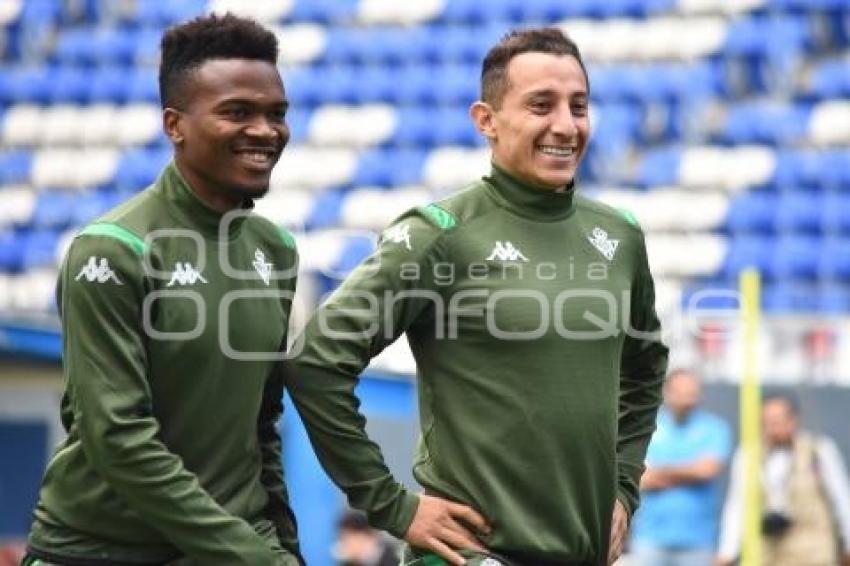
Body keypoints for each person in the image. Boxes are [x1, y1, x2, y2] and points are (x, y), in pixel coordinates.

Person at [22, 13, 476, 566]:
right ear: (174, 124)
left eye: (276, 113)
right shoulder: (114, 250)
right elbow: (119, 440)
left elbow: (261, 428)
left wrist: (284, 547)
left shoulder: (275, 249)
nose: (265, 130)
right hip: (101, 552)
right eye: (237, 112)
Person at [285, 27, 669, 566]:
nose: (565, 124)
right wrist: (392, 506)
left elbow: (647, 366)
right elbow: (316, 361)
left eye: (578, 105)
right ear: (485, 120)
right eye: (541, 105)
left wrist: (625, 484)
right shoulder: (439, 233)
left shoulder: (620, 235)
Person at [716, 394, 850, 566]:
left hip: (812, 550)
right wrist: (727, 551)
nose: (773, 428)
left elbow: (841, 500)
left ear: (794, 420)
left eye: (778, 421)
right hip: (767, 551)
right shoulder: (748, 455)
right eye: (767, 422)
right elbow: (737, 504)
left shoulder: (819, 450)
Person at [628, 369, 732, 566]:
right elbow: (640, 479)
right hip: (649, 538)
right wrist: (688, 472)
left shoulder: (715, 428)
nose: (687, 399)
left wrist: (661, 471)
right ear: (666, 391)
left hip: (698, 541)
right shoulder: (647, 427)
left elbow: (706, 470)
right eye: (681, 392)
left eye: (692, 393)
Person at [334, 510, 400, 566]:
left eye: (346, 539)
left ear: (362, 535)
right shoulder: (354, 562)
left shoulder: (394, 559)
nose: (344, 544)